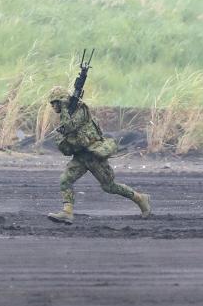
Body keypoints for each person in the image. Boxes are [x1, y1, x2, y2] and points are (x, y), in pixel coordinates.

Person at [46, 86, 150, 224]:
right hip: (81, 156)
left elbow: (70, 127)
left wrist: (65, 108)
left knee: (109, 186)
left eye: (55, 102)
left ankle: (140, 198)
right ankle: (67, 212)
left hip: (94, 155)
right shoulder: (66, 115)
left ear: (63, 101)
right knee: (65, 180)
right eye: (51, 103)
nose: (53, 106)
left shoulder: (80, 111)